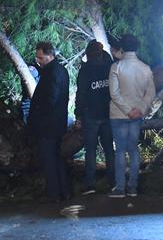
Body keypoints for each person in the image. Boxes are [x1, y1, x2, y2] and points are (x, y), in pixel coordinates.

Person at [108, 34, 155, 199]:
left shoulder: (116, 67)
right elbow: (150, 93)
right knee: (133, 150)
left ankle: (120, 188)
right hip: (137, 114)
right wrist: (139, 109)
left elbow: (114, 94)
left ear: (122, 48)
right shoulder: (145, 68)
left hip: (118, 114)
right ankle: (133, 187)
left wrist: (127, 109)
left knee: (120, 150)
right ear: (137, 47)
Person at [28, 42, 71, 202]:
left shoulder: (51, 72)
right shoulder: (60, 70)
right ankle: (64, 191)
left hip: (48, 124)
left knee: (49, 159)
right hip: (57, 122)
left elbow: (49, 100)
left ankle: (54, 194)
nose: (38, 60)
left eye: (40, 57)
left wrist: (38, 118)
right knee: (57, 158)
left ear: (50, 55)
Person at [75, 40, 115, 195]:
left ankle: (91, 185)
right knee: (109, 150)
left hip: (90, 115)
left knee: (90, 151)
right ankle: (113, 182)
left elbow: (81, 94)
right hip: (108, 113)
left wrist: (78, 114)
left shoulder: (85, 71)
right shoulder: (109, 68)